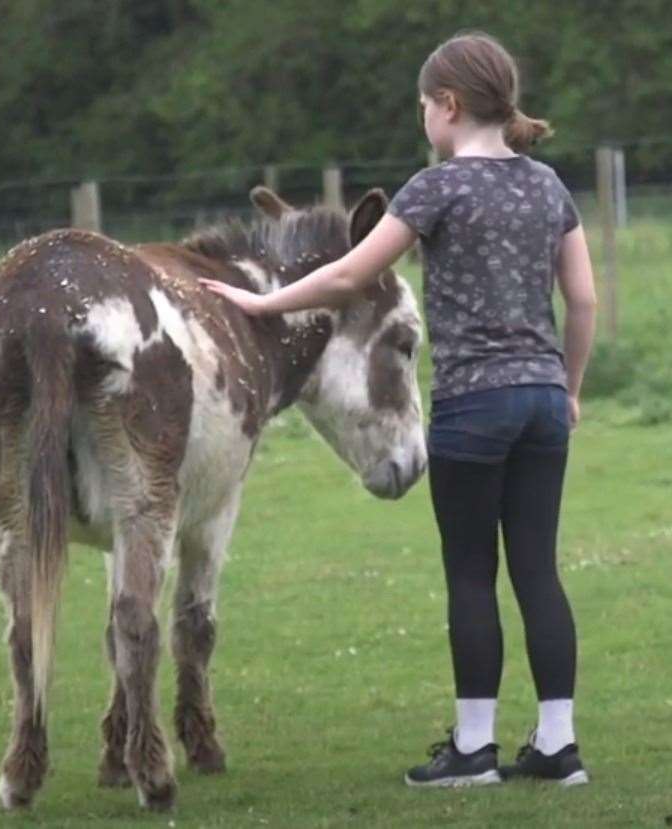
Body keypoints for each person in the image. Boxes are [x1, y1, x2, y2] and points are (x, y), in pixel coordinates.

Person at [202, 31, 597, 788]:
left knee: (472, 573)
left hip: (475, 403)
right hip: (544, 399)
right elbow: (582, 299)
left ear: (448, 107)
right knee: (538, 571)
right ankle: (558, 747)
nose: (423, 119)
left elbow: (349, 275)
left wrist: (262, 300)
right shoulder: (550, 186)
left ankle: (475, 750)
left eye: (424, 105)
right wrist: (569, 387)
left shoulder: (435, 187)